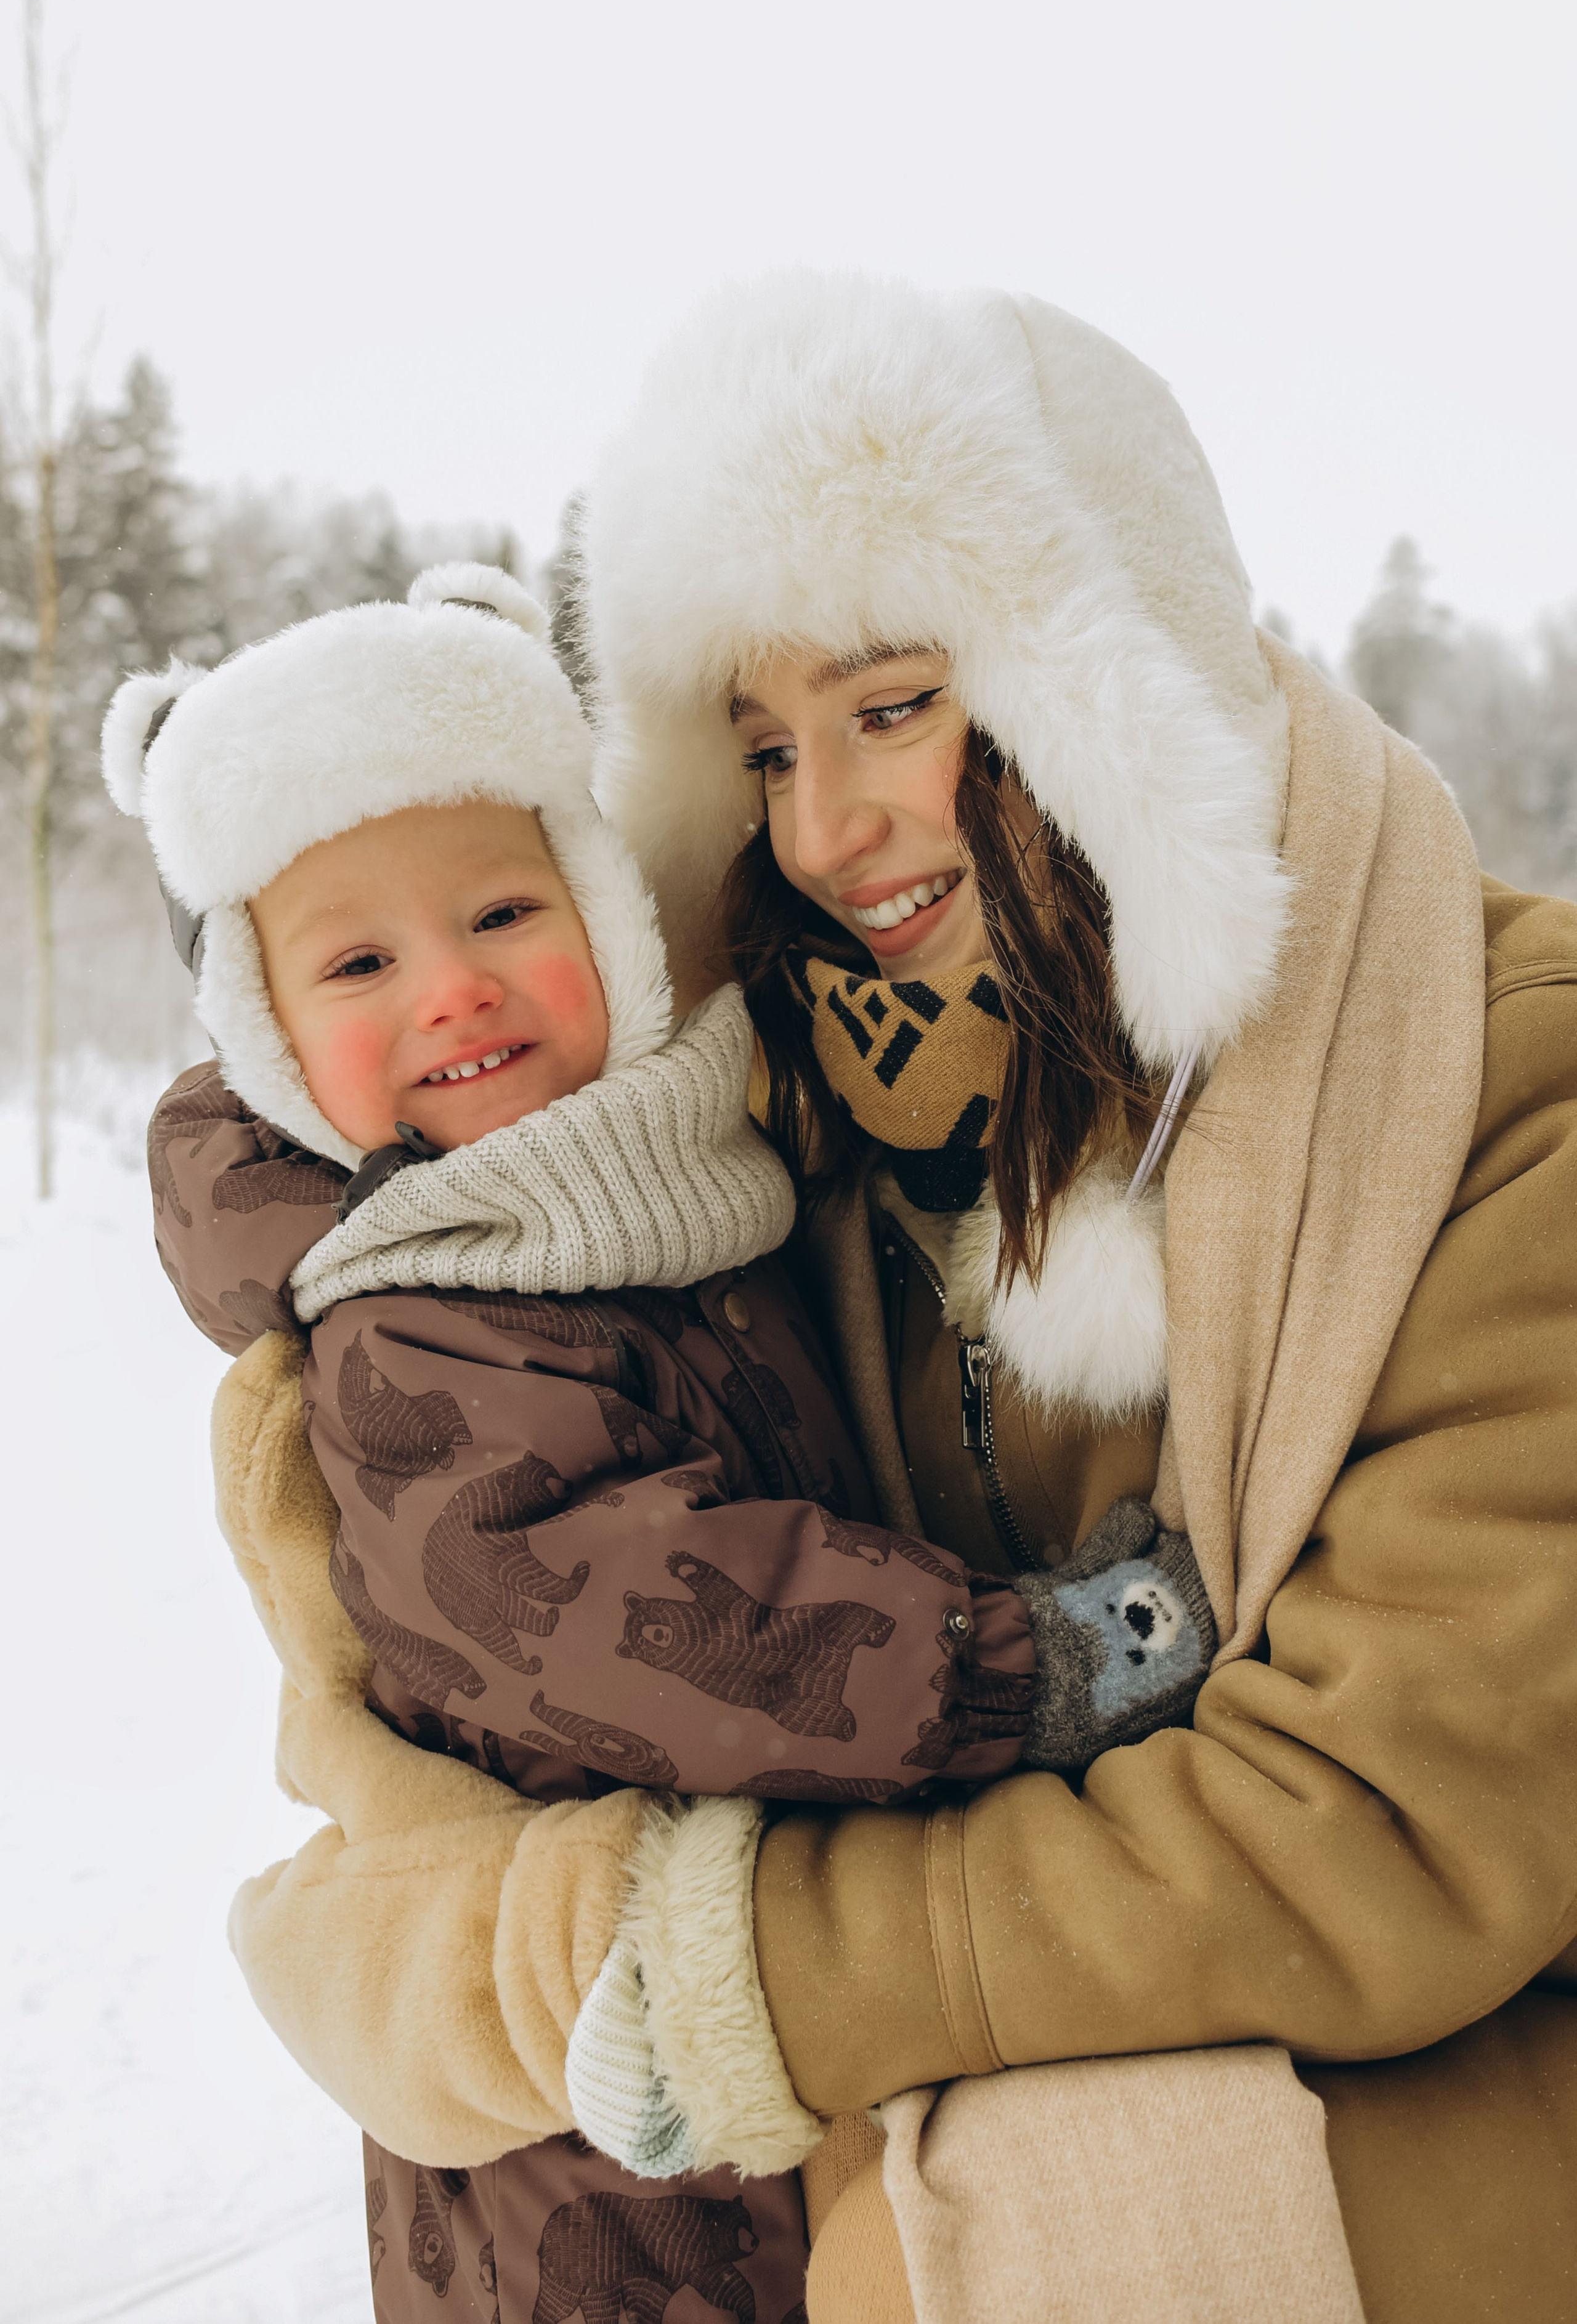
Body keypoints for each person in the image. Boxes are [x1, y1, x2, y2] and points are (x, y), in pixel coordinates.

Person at [556, 273, 1577, 2323]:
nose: (825, 829)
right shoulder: (805, 1133)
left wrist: (772, 1970)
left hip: (1487, 2031)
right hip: (1103, 2007)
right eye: (761, 749)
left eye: (893, 704)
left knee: (934, 2262)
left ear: (1103, 679)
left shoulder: (1500, 1074)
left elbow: (1394, 1817)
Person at [110, 559, 1214, 2322]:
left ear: (607, 913)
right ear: (266, 1038)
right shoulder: (414, 1324)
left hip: (792, 2077)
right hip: (614, 2198)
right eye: (360, 962)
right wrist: (1022, 1666)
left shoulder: (667, 1184)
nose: (454, 992)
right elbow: (649, 1612)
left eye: (499, 912)